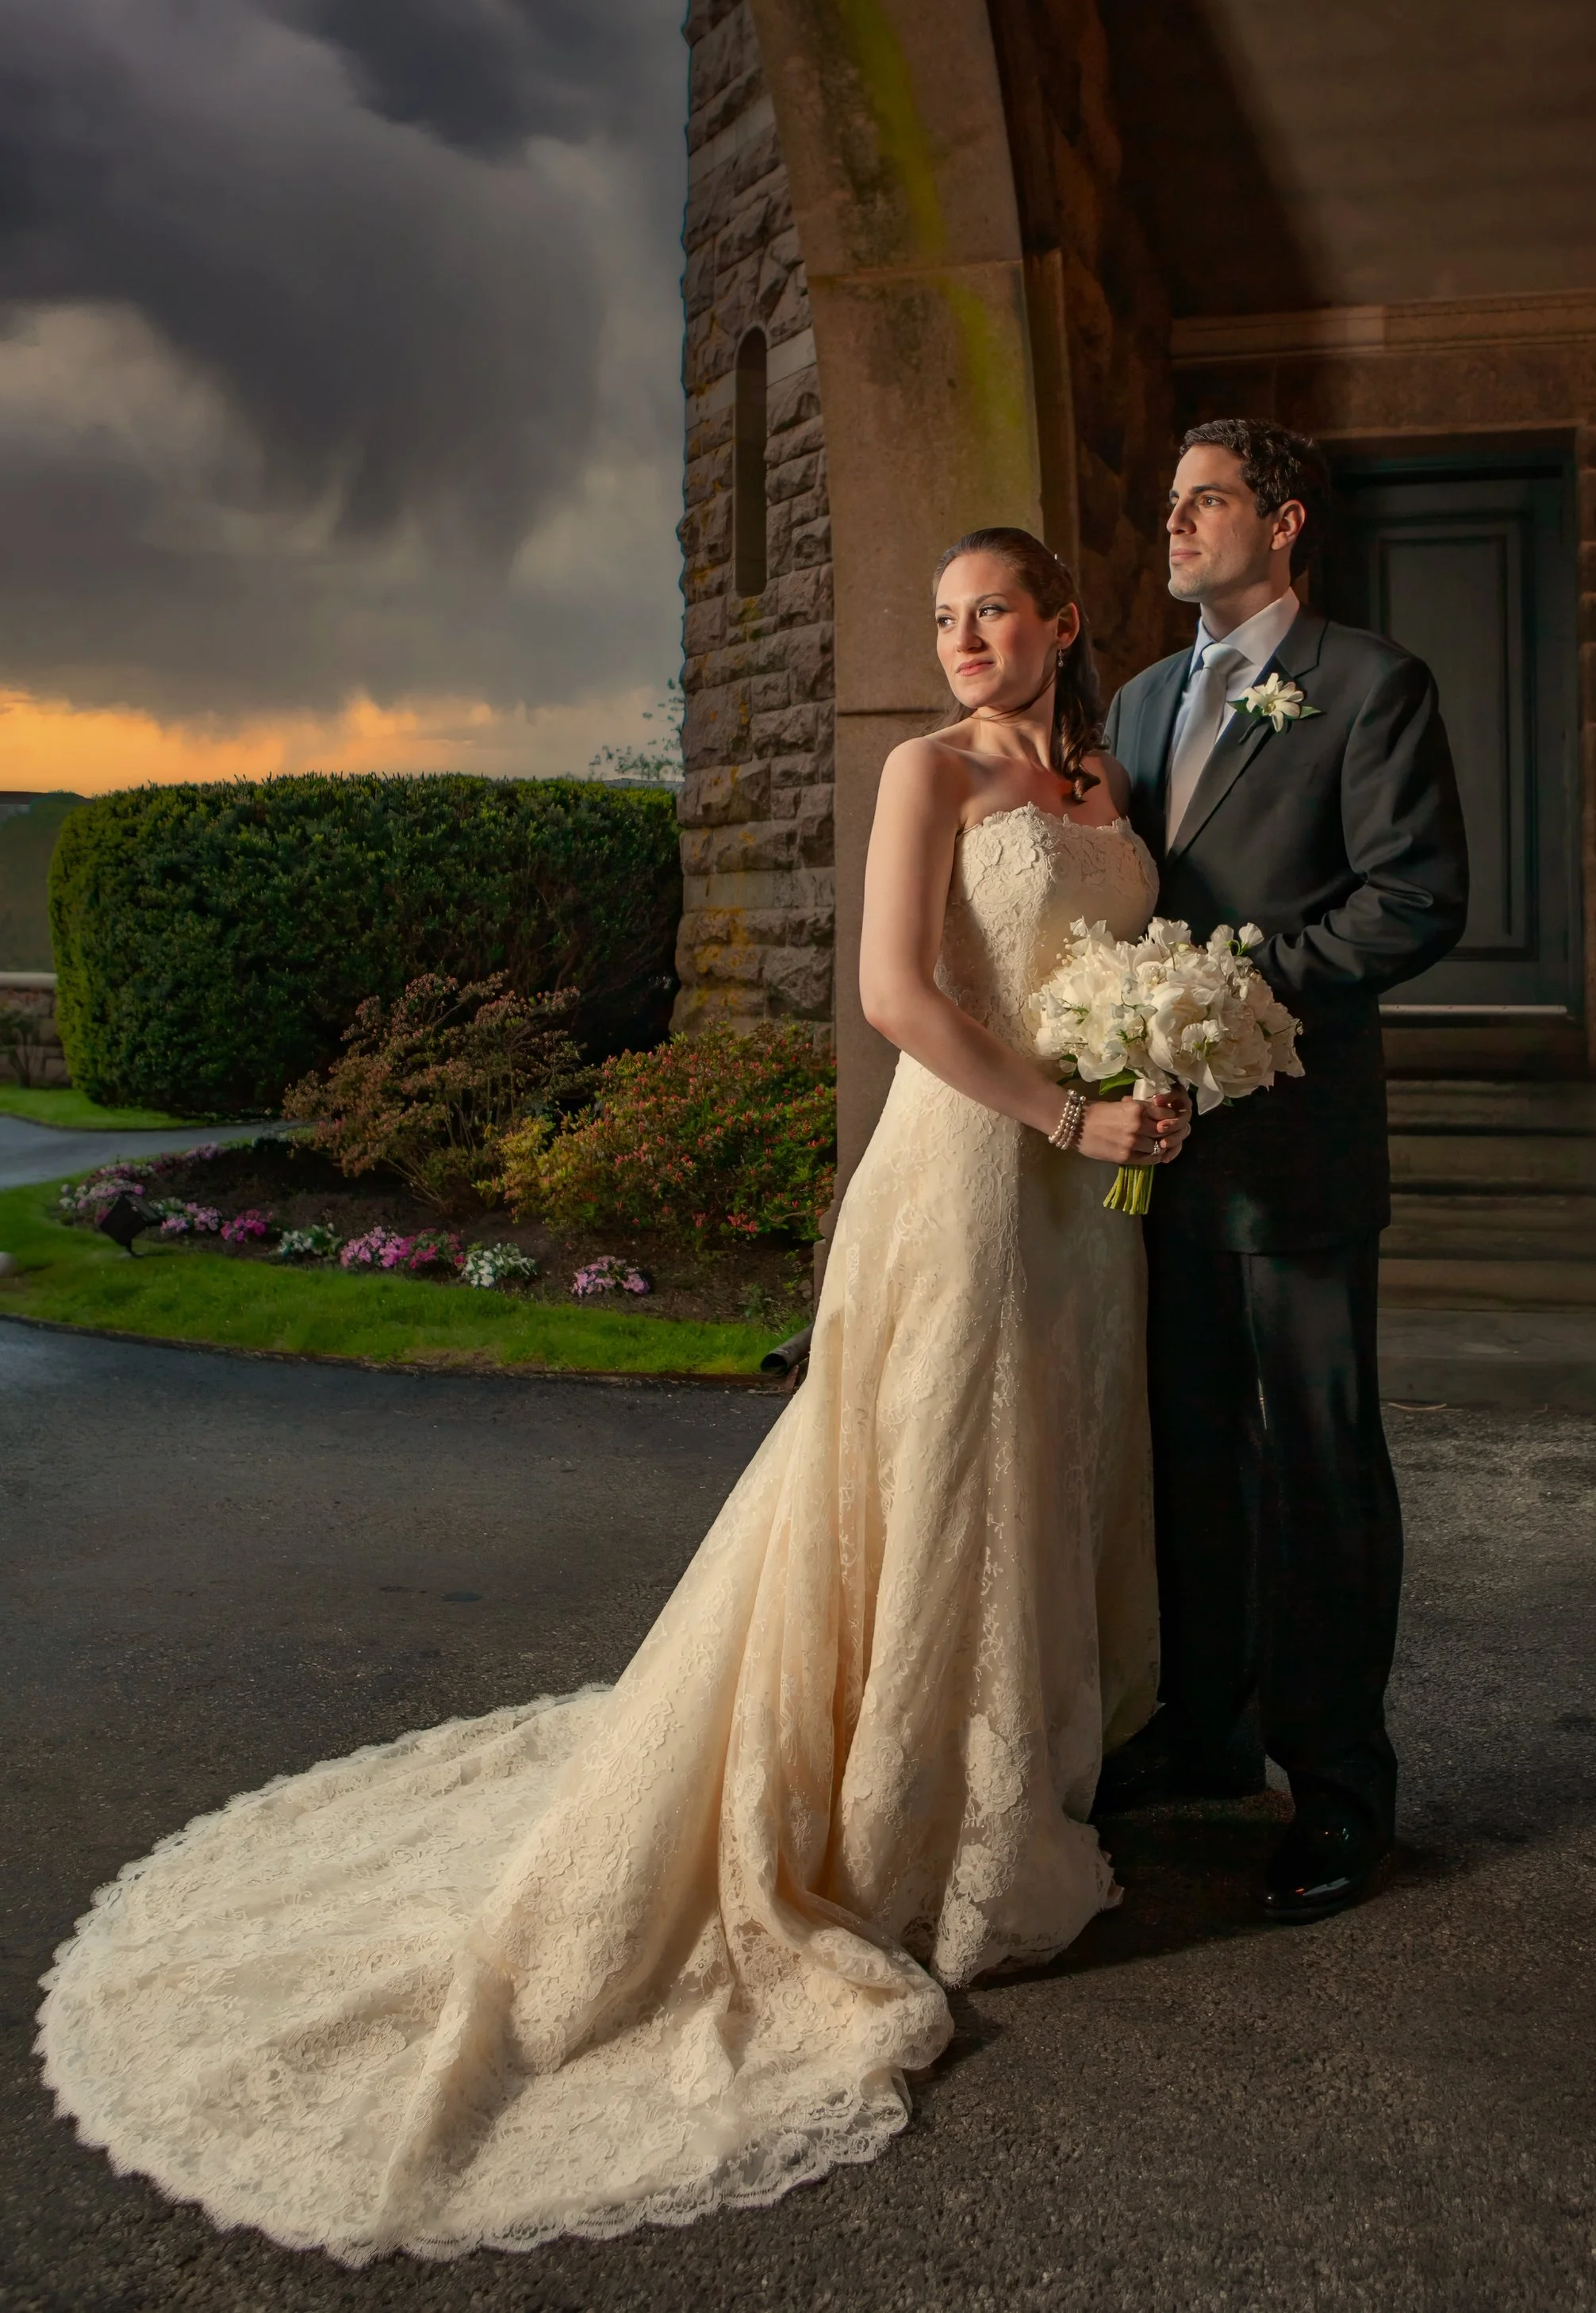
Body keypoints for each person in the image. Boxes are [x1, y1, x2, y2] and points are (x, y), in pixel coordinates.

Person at [36, 527, 1188, 2262]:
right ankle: (904, 1816)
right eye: (938, 616)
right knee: (938, 1471)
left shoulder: (1106, 775)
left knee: (1045, 1465)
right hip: (968, 1173)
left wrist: (1145, 1083)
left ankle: (1017, 1768)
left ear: (1058, 622)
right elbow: (892, 994)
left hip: (1084, 1204)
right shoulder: (922, 770)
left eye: (991, 612)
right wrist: (1066, 1112)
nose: (961, 641)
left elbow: (1101, 972)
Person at [1101, 419, 1467, 1924]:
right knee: (1187, 1461)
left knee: (1320, 1468)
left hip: (1297, 1146)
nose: (1176, 523)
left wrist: (1235, 1001)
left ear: (1287, 519)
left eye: (1208, 500)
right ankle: (1208, 1729)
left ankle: (1341, 1791)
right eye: (1169, 500)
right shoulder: (1129, 704)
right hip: (1154, 1159)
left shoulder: (1373, 685)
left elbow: (1416, 900)